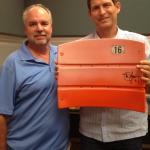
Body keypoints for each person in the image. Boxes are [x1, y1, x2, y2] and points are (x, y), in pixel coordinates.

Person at [79, 0, 150, 150]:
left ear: (117, 7)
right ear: (89, 13)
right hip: (91, 133)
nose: (102, 12)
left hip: (129, 132)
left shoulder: (141, 43)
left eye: (106, 5)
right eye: (96, 8)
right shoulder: (79, 48)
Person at [0, 4, 69, 150]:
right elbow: (2, 114)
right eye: (32, 24)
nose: (39, 28)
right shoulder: (13, 63)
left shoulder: (65, 56)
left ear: (51, 27)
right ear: (25, 30)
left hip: (59, 146)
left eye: (44, 23)